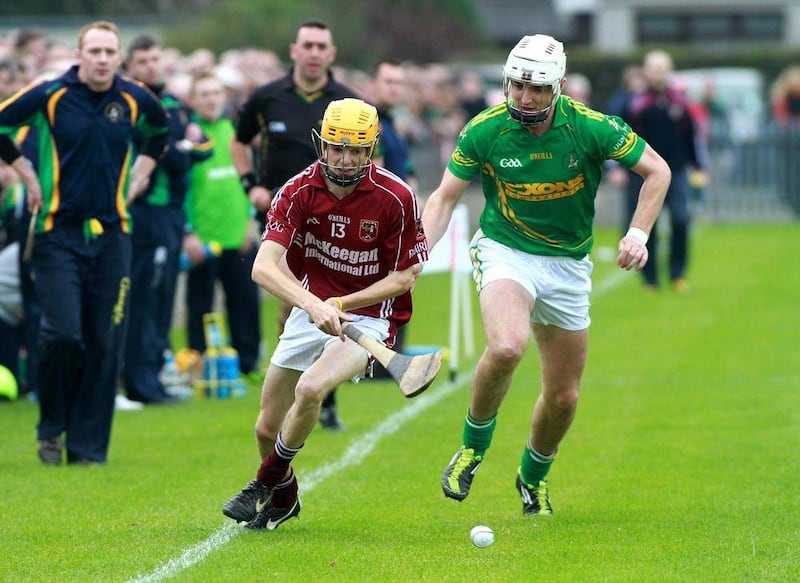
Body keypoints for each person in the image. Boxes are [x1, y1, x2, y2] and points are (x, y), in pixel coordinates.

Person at [421, 34, 670, 515]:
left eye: (536, 89)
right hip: (505, 251)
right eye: (517, 86)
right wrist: (416, 255)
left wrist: (637, 235)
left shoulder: (592, 127)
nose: (525, 97)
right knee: (507, 346)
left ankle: (532, 477)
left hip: (569, 266)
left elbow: (657, 171)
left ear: (557, 88)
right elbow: (444, 198)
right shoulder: (485, 129)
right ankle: (473, 447)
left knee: (563, 398)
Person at [222, 98, 428, 530]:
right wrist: (314, 304)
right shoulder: (296, 191)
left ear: (371, 150)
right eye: (337, 148)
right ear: (322, 144)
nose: (346, 159)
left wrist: (342, 305)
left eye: (356, 151)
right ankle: (285, 497)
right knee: (265, 429)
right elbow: (263, 267)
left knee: (312, 388)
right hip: (311, 307)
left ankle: (262, 484)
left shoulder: (397, 197)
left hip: (370, 318)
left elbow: (404, 278)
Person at [0, 21, 169, 464]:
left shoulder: (134, 98)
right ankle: (51, 426)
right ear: (80, 54)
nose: (101, 59)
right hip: (58, 233)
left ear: (119, 58)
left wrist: (141, 173)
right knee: (63, 334)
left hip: (114, 236)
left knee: (105, 339)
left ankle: (88, 448)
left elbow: (161, 132)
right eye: (93, 50)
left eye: (109, 51)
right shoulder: (50, 93)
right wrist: (26, 173)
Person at [230, 19, 358, 430]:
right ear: (294, 50)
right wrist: (251, 184)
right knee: (293, 306)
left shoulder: (348, 101)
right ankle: (293, 394)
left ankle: (325, 393)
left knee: (329, 302)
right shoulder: (267, 97)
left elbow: (372, 158)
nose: (315, 52)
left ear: (331, 54)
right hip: (281, 215)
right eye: (308, 45)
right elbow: (238, 141)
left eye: (322, 45)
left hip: (332, 222)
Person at [122, 34, 211, 404]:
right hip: (146, 213)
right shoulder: (130, 103)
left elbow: (205, 148)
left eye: (154, 58)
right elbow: (168, 157)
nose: (150, 66)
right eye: (142, 61)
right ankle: (140, 383)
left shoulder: (174, 102)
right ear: (129, 66)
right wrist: (181, 148)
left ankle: (155, 378)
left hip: (172, 216)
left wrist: (184, 147)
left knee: (162, 299)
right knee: (143, 298)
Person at [183, 71, 261, 375]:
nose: (211, 99)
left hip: (237, 234)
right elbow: (184, 189)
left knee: (244, 302)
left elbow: (248, 183)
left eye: (216, 93)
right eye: (204, 94)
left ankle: (248, 363)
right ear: (193, 100)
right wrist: (188, 233)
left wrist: (247, 225)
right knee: (199, 306)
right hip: (203, 239)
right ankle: (198, 365)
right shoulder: (189, 136)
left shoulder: (236, 133)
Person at [621, 50, 705, 293]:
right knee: (648, 226)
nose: (658, 72)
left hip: (676, 172)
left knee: (681, 220)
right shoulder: (635, 103)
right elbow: (622, 137)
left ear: (670, 71)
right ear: (645, 71)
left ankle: (677, 274)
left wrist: (698, 167)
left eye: (662, 68)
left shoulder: (680, 102)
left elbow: (691, 137)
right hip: (643, 174)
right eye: (653, 67)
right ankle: (650, 279)